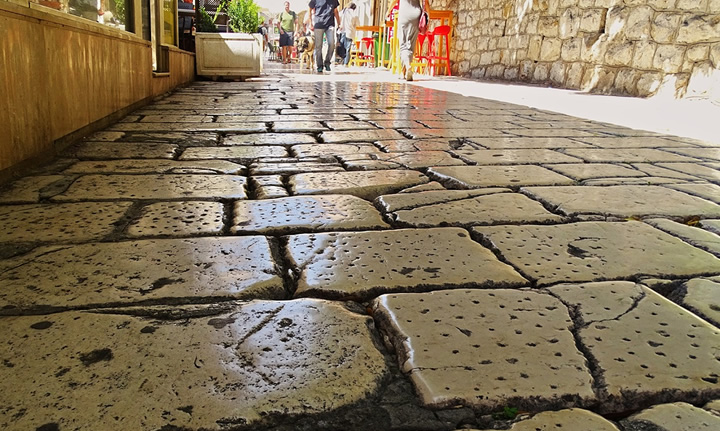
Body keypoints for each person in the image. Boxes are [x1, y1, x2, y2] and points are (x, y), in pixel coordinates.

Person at [387, 0, 430, 81]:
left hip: (404, 15)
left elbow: (394, 1)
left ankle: (408, 66)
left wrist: (388, 11)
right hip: (416, 15)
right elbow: (426, 2)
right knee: (410, 45)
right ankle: (403, 72)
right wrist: (429, 18)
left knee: (403, 45)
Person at [307, 0, 340, 73]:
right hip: (318, 24)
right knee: (318, 46)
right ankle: (319, 65)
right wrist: (310, 23)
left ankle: (327, 62)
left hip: (330, 24)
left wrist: (339, 23)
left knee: (332, 44)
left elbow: (336, 11)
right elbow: (309, 10)